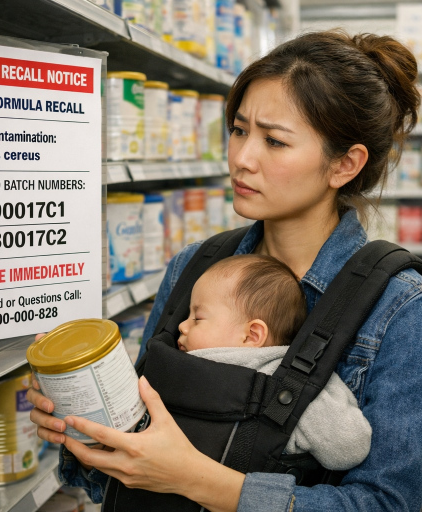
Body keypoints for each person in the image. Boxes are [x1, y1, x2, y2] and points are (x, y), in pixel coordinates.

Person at [28, 29, 422, 511]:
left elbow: (391, 503)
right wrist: (83, 426)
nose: (241, 158)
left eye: (274, 142)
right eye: (239, 130)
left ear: (344, 164)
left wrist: (201, 481)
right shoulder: (193, 268)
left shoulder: (400, 309)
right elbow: (118, 469)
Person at [177, 253, 372, 471]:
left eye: (197, 318)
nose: (182, 326)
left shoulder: (288, 385)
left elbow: (349, 448)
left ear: (252, 335)